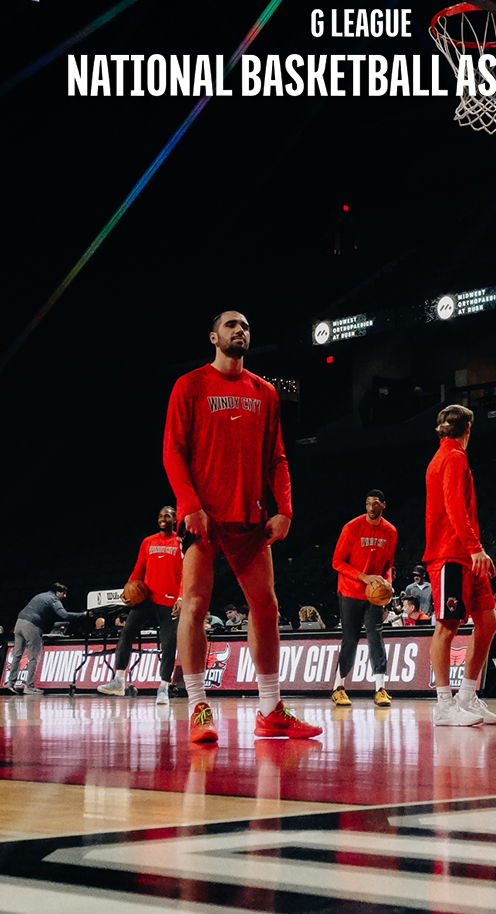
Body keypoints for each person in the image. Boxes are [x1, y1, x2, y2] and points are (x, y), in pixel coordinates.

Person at [163, 309, 320, 744]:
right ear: (213, 336)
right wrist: (190, 505)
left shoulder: (265, 391)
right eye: (232, 325)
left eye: (247, 325)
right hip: (204, 518)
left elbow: (278, 456)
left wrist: (284, 509)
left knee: (266, 608)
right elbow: (173, 452)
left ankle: (271, 710)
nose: (240, 330)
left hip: (251, 518)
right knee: (194, 607)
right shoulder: (189, 385)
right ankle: (198, 707)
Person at [424, 404, 496, 727]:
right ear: (468, 429)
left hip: (465, 556)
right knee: (447, 626)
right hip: (451, 554)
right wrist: (475, 548)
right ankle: (444, 705)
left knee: (488, 622)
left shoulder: (446, 456)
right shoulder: (452, 457)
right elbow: (456, 507)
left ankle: (466, 696)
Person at [99, 505, 183, 705]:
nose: (163, 518)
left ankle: (163, 688)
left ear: (175, 520)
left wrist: (181, 598)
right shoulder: (148, 541)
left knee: (169, 643)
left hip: (170, 602)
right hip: (147, 600)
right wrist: (127, 589)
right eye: (161, 515)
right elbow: (139, 569)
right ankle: (118, 680)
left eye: (168, 516)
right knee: (126, 632)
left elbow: (185, 575)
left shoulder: (181, 543)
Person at [330, 489, 398, 708]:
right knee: (350, 639)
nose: (370, 507)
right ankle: (338, 688)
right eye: (367, 503)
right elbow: (337, 562)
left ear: (383, 505)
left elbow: (388, 564)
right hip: (350, 590)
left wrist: (387, 583)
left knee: (376, 636)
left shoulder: (390, 531)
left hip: (374, 594)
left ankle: (380, 689)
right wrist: (363, 577)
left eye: (375, 503)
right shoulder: (351, 527)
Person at [7, 583, 87, 695]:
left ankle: (10, 682)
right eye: (64, 593)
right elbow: (64, 615)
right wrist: (83, 615)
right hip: (31, 625)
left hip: (19, 623)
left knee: (17, 654)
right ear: (57, 592)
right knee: (34, 657)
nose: (65, 596)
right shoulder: (53, 599)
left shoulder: (41, 595)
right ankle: (29, 687)